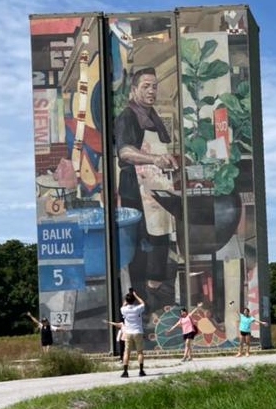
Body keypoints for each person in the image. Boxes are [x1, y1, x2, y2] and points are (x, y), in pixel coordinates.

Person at [115, 66, 179, 311]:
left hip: (157, 189)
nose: (152, 90)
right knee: (142, 250)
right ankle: (141, 304)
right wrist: (154, 160)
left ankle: (156, 298)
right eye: (146, 86)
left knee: (160, 244)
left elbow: (161, 150)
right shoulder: (128, 117)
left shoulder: (153, 117)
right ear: (134, 90)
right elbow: (125, 152)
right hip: (136, 189)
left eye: (154, 86)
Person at [120, 288, 147, 377]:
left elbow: (124, 304)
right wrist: (135, 295)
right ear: (134, 300)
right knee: (139, 352)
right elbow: (143, 303)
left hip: (128, 332)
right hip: (138, 331)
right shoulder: (137, 309)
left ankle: (125, 372)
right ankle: (141, 371)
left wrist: (128, 296)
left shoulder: (123, 309)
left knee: (126, 352)